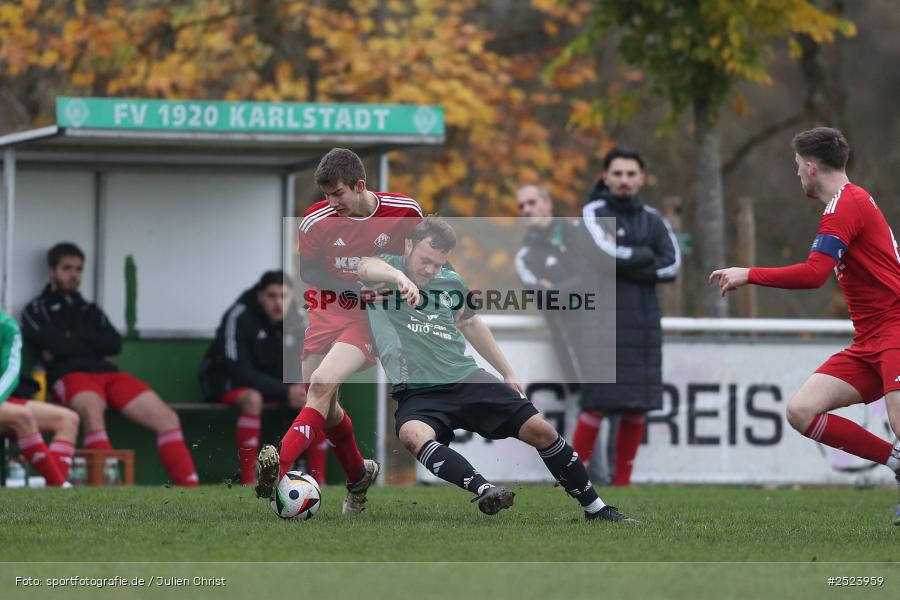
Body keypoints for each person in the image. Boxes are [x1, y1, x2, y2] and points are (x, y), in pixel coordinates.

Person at [358, 217, 638, 522]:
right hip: (417, 390)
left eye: (438, 264)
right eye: (425, 261)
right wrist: (400, 279)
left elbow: (472, 324)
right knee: (412, 434)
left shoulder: (450, 280)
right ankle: (485, 490)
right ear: (409, 246)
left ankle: (596, 509)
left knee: (541, 430)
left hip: (466, 378)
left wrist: (508, 372)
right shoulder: (386, 272)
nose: (430, 270)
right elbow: (364, 267)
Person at [710, 127, 900, 524]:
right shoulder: (850, 202)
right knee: (802, 411)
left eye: (797, 165)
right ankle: (896, 462)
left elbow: (815, 274)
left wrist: (749, 273)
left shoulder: (844, 205)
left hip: (896, 328)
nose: (796, 173)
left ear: (811, 167)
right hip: (870, 339)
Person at [255, 148, 423, 514]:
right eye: (326, 195)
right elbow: (310, 273)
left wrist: (408, 286)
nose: (332, 202)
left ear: (359, 185)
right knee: (324, 407)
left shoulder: (405, 211)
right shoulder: (316, 221)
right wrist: (352, 289)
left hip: (369, 318)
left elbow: (422, 258)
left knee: (320, 384)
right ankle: (358, 475)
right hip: (325, 313)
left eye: (338, 194)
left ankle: (276, 469)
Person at [21, 243, 199, 486]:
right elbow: (56, 345)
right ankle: (106, 488)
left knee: (167, 418)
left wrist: (70, 338)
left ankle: (190, 488)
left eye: (79, 269)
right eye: (67, 268)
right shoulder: (35, 308)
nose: (74, 275)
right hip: (69, 375)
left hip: (107, 374)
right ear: (52, 271)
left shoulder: (89, 309)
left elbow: (114, 343)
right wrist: (88, 343)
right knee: (93, 411)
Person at [575, 146, 680, 486]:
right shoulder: (593, 212)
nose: (624, 180)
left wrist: (628, 260)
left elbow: (673, 265)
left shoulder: (654, 219)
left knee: (636, 407)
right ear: (606, 177)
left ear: (642, 178)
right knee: (597, 404)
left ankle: (623, 485)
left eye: (631, 174)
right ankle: (569, 481)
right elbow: (601, 255)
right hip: (601, 322)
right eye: (617, 174)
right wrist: (646, 257)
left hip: (644, 324)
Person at [200, 270, 319, 485]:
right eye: (272, 296)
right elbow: (237, 368)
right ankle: (248, 480)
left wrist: (301, 388)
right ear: (260, 296)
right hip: (227, 383)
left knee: (319, 399)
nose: (278, 303)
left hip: (274, 387)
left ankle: (318, 479)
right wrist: (285, 391)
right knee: (252, 398)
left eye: (284, 296)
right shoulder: (240, 315)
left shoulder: (298, 319)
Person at [1, 309, 80, 487]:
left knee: (68, 419)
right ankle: (60, 485)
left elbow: (11, 371)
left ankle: (54, 490)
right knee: (23, 415)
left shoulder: (6, 325)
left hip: (2, 398)